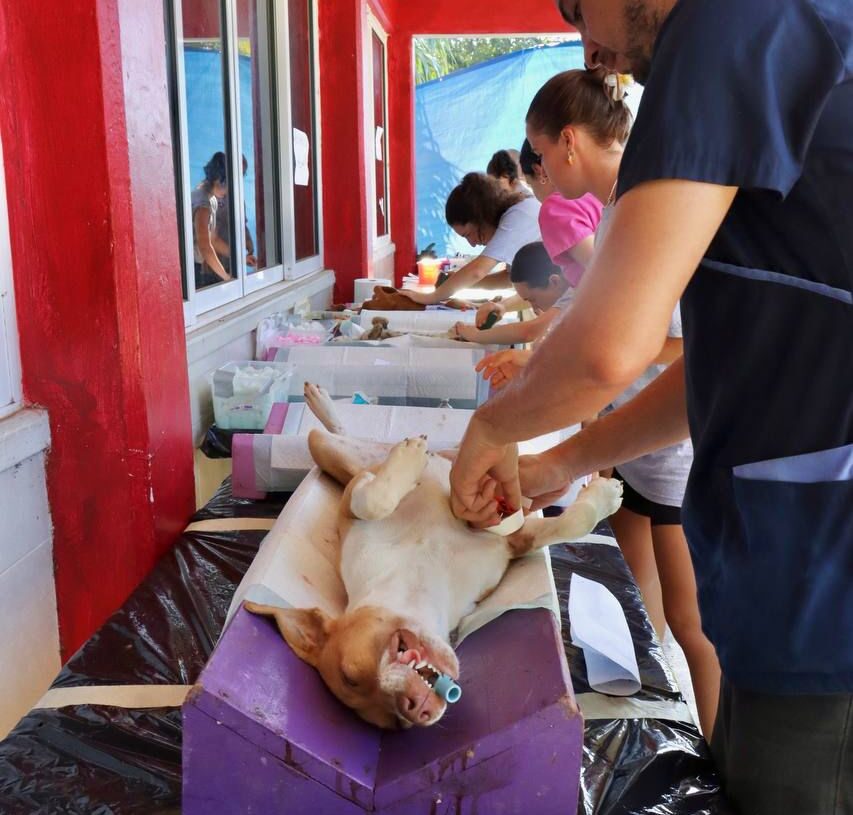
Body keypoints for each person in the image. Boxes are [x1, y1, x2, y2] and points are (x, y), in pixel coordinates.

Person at [450, 0, 853, 811]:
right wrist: (561, 459)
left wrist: (493, 426)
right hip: (788, 581)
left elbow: (609, 346)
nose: (587, 49)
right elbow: (723, 363)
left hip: (823, 597)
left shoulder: (725, 27)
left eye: (578, 7)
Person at [474, 69, 722, 738]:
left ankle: (717, 758)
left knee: (693, 625)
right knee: (639, 599)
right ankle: (656, 725)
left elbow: (682, 346)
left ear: (570, 141)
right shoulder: (616, 210)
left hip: (669, 446)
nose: (541, 174)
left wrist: (598, 373)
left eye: (542, 155)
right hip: (631, 439)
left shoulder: (651, 204)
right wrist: (537, 362)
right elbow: (592, 317)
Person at [466, 138, 603, 340]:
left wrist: (472, 335)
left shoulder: (557, 207)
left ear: (540, 171)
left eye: (530, 183)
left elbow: (602, 272)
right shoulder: (592, 196)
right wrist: (504, 305)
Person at [401, 172, 540, 305]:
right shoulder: (514, 215)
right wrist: (459, 282)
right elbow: (510, 279)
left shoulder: (518, 216)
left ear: (482, 218)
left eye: (468, 234)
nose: (472, 244)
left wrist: (431, 297)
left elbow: (477, 271)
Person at [192, 152, 232, 288]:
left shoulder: (211, 198)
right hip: (190, 267)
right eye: (228, 185)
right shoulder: (203, 204)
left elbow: (213, 240)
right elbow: (205, 246)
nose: (228, 191)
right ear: (219, 180)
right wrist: (226, 277)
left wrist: (239, 257)